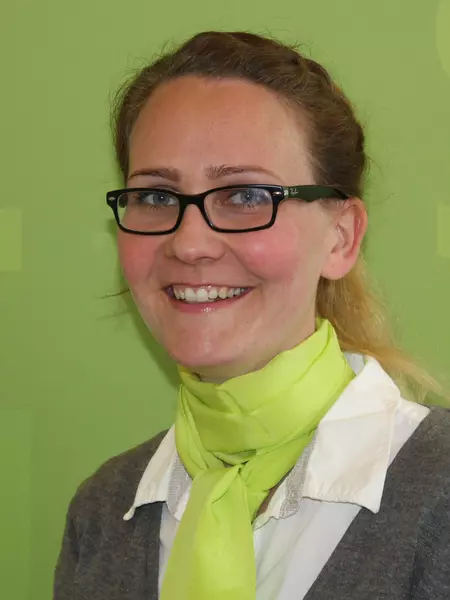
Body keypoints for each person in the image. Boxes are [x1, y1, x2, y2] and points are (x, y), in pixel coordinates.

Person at [53, 30, 450, 600]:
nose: (190, 244)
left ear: (341, 236)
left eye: (245, 197)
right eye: (157, 197)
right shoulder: (101, 513)